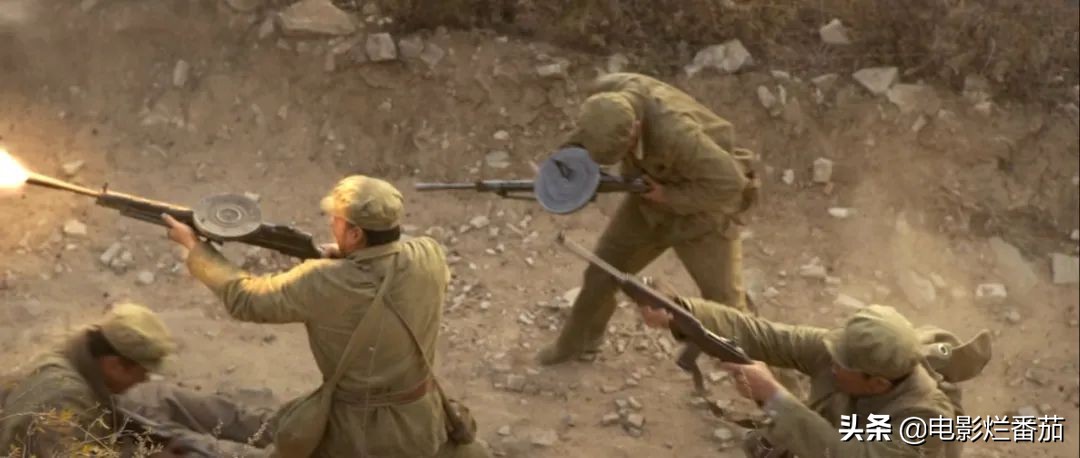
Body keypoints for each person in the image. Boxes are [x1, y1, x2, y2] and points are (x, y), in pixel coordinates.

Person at [162, 175, 490, 458]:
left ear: (356, 233)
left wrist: (196, 248)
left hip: (356, 434)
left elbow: (246, 299)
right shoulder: (429, 256)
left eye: (337, 220)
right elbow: (395, 256)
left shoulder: (324, 281)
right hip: (421, 422)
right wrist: (349, 255)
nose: (331, 224)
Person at [537, 72, 760, 365]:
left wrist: (668, 196)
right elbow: (584, 138)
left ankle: (778, 381)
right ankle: (577, 343)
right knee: (602, 272)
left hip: (704, 211)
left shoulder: (677, 134)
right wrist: (563, 172)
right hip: (647, 200)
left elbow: (731, 184)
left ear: (636, 128)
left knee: (727, 307)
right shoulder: (606, 98)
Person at [636, 298, 992, 458]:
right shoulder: (845, 357)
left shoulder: (925, 418)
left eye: (841, 366)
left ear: (878, 384)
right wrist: (682, 312)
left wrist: (774, 397)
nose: (830, 364)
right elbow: (762, 336)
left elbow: (848, 454)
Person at [0, 303, 272, 457]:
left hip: (100, 423)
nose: (143, 379)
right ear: (115, 365)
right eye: (141, 372)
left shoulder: (83, 354)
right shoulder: (58, 409)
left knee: (163, 398)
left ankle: (277, 431)